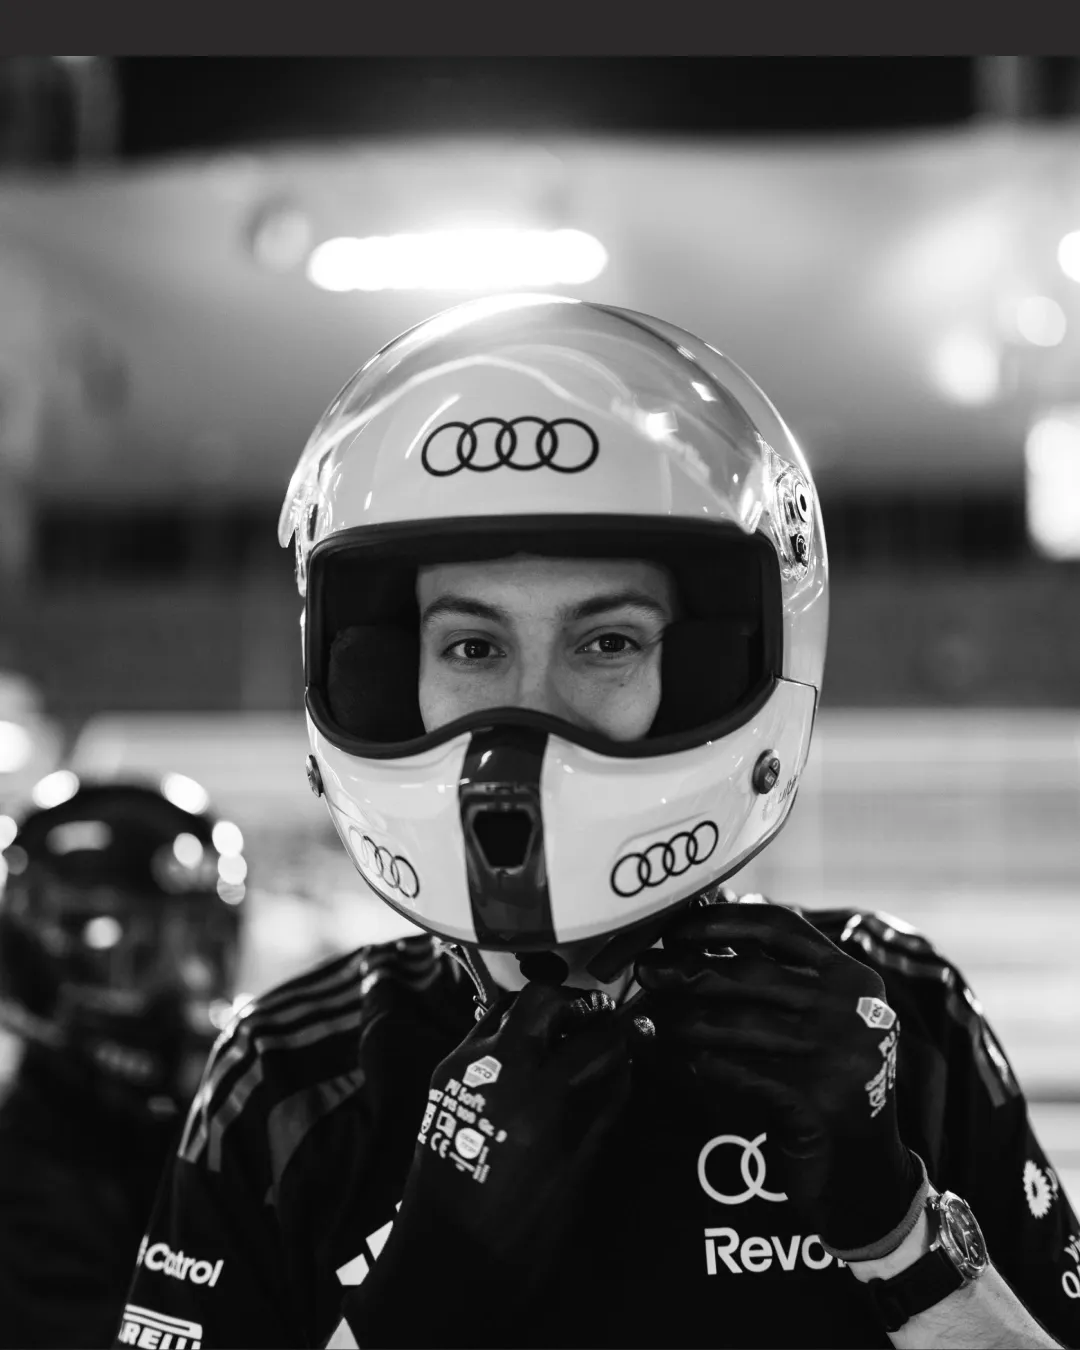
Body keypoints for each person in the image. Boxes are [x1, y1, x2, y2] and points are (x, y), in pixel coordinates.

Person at [116, 296, 1080, 1349]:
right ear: (394, 677)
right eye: (473, 649)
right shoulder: (292, 1078)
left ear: (714, 663)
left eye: (608, 642)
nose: (535, 709)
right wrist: (418, 1300)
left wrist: (895, 1234)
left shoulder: (900, 1023)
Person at [0, 773, 245, 1348]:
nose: (184, 984)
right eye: (135, 954)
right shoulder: (27, 1184)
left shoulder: (199, 1129)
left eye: (199, 947)